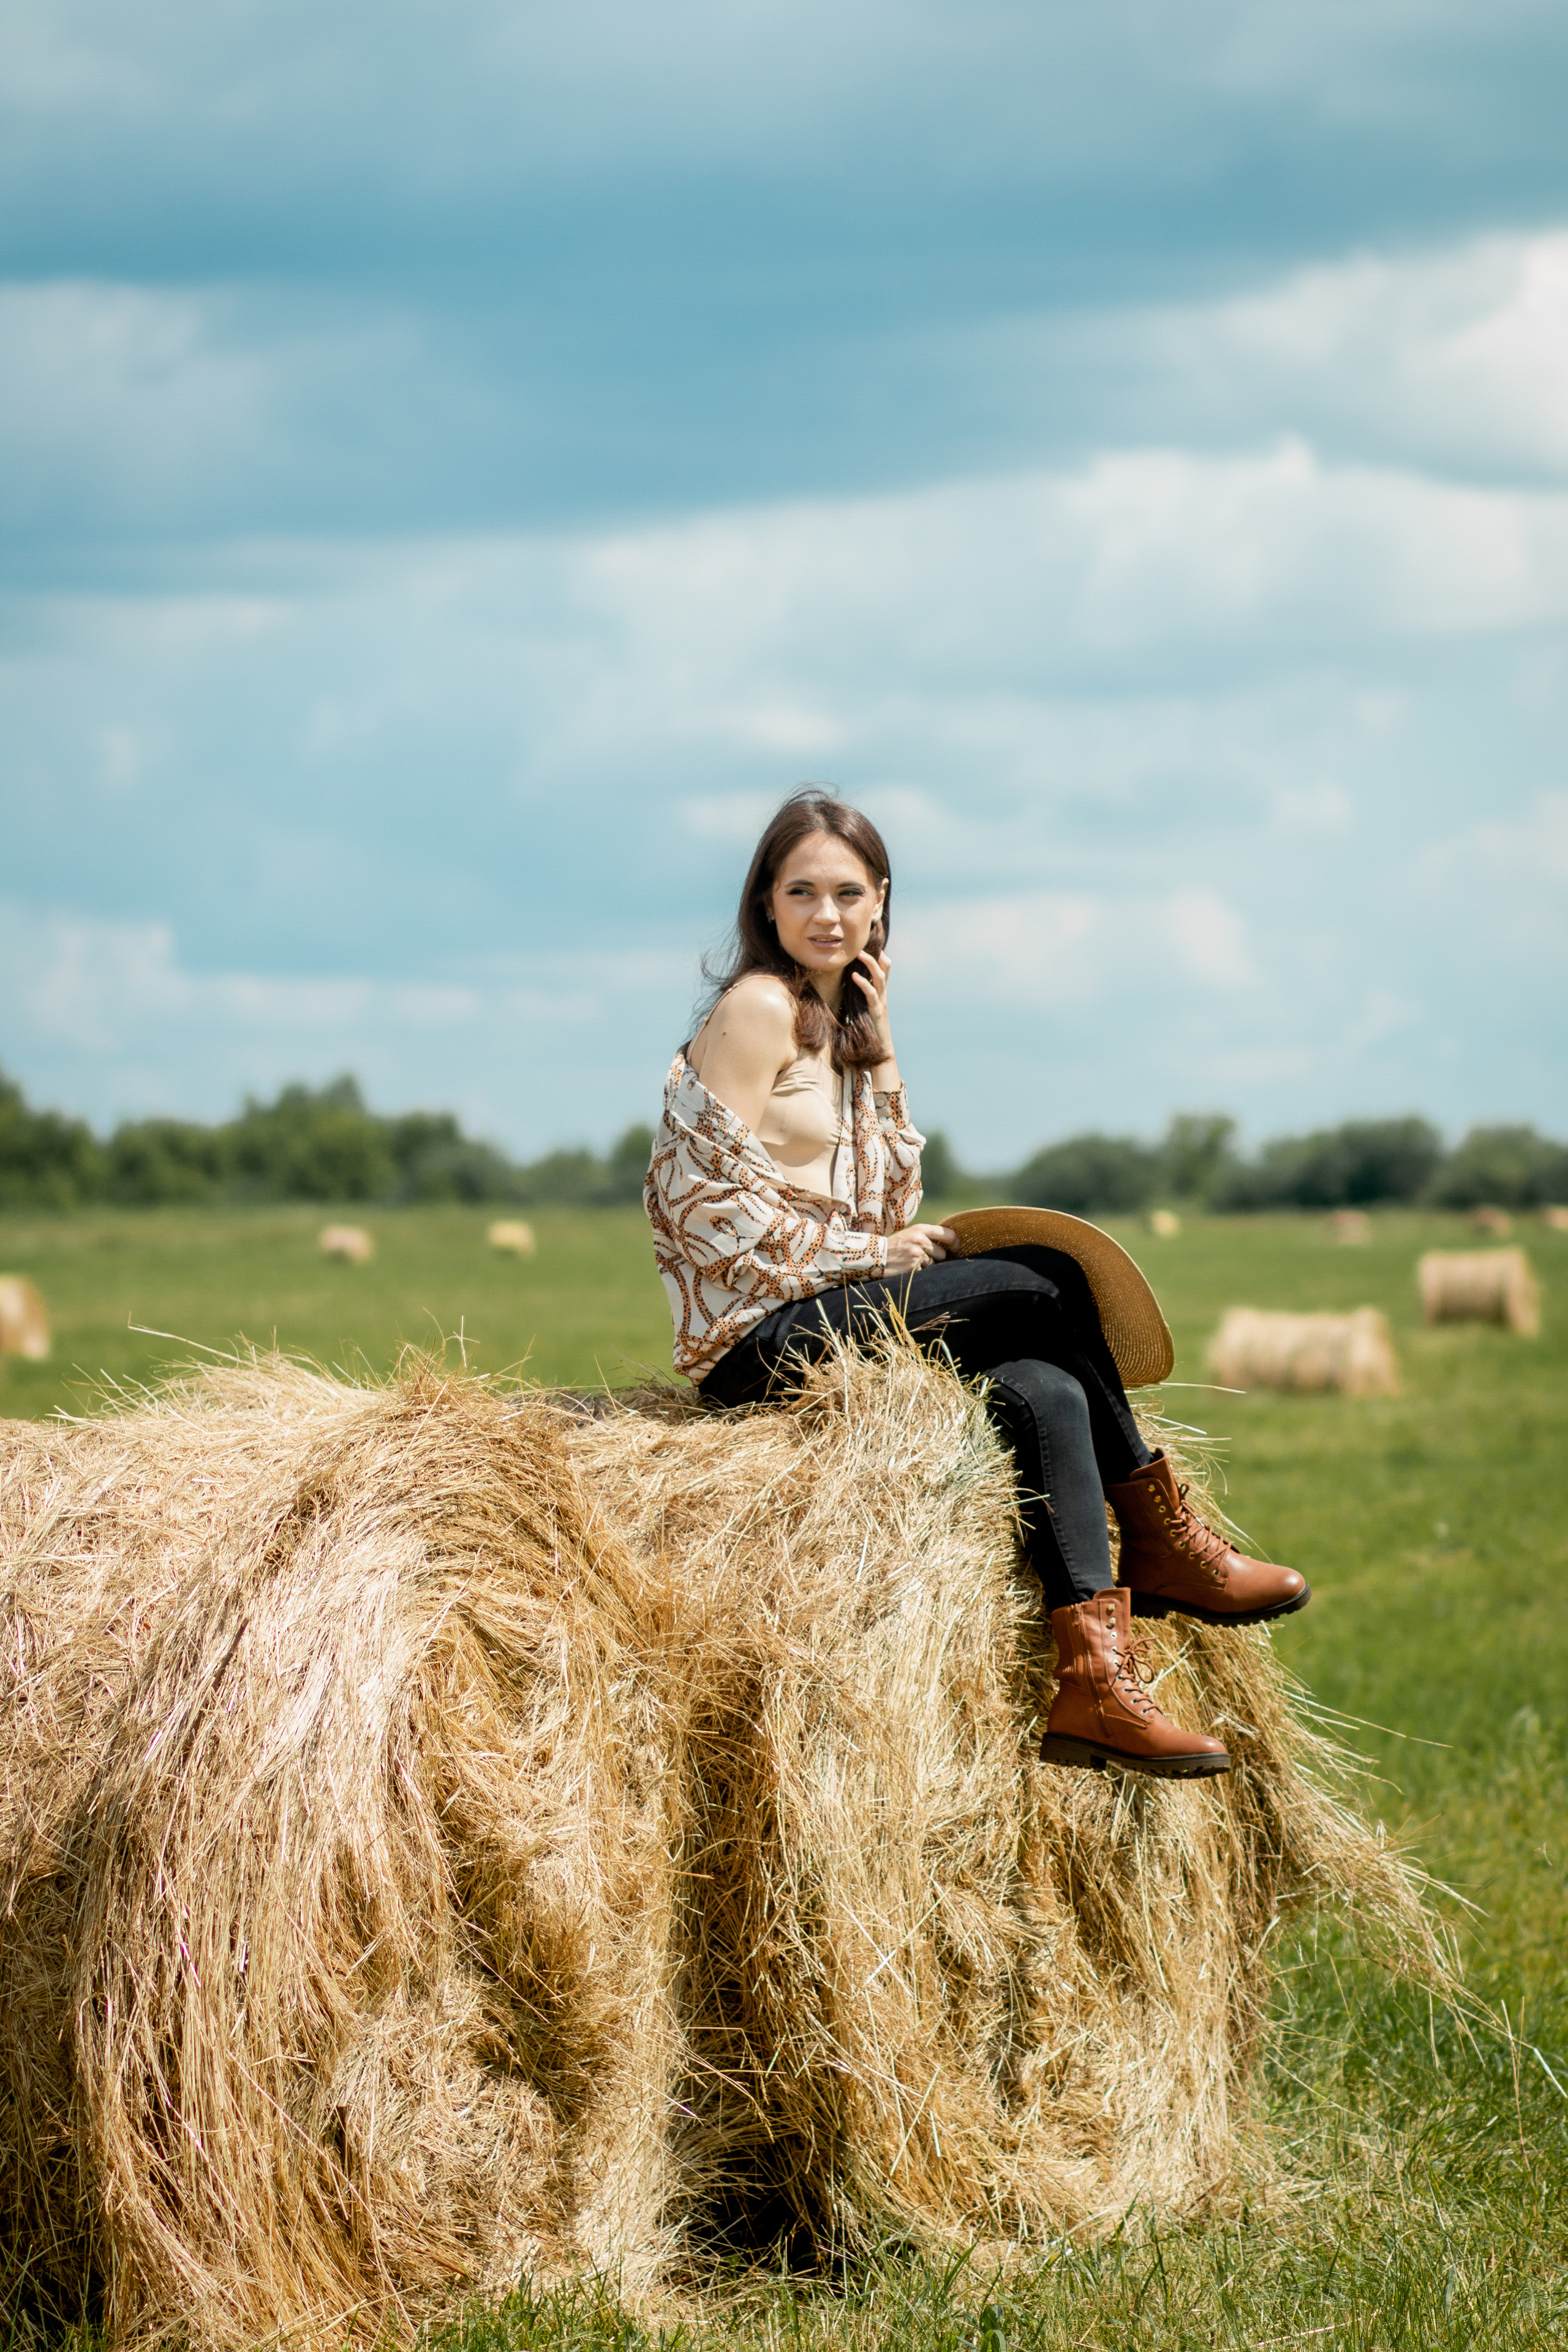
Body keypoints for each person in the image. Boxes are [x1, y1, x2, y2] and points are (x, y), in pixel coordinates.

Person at [644, 789, 1308, 1778]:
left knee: (1046, 1389)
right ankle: (1162, 1538)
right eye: (802, 892)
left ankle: (1094, 1683)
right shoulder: (757, 1009)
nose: (826, 914)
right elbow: (694, 1205)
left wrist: (883, 1052)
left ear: (881, 903)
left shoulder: (844, 1024)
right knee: (1046, 1279)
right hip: (758, 1340)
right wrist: (870, 1257)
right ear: (766, 903)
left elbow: (889, 1201)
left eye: (849, 894)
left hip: (836, 1312)